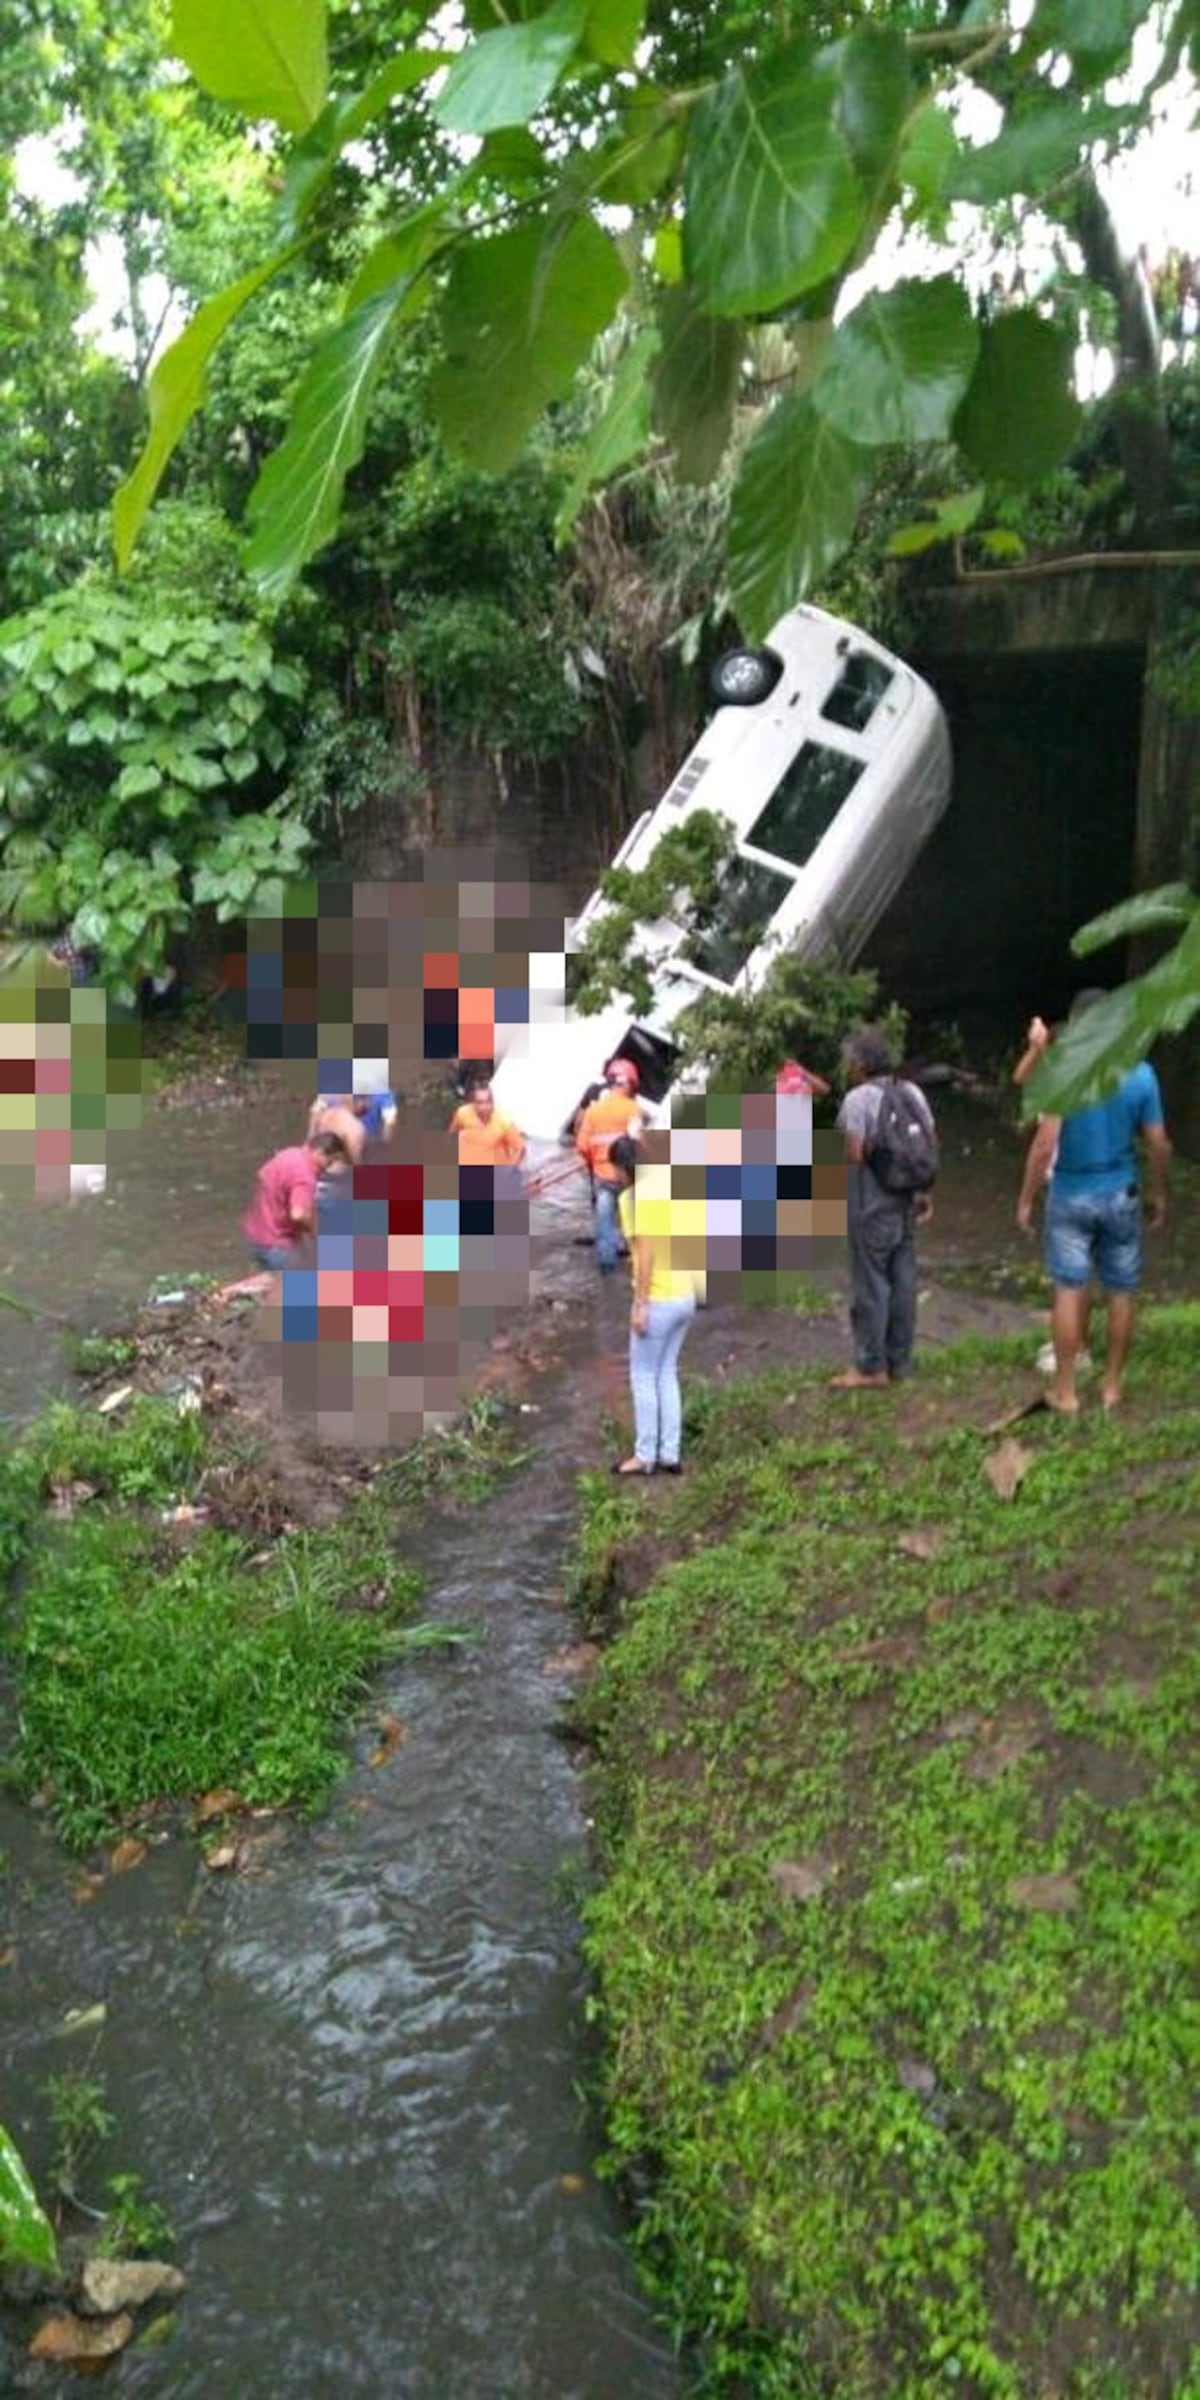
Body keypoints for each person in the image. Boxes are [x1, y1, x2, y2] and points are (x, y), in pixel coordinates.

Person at [1016, 991, 1171, 1412]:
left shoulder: (1064, 1073)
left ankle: (1066, 1391)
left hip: (1069, 1195)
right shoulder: (1140, 1074)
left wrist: (1027, 1199)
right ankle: (1111, 1386)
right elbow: (1158, 1143)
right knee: (1122, 1291)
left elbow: (1045, 1144)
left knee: (1069, 1289)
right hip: (1122, 1193)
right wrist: (1160, 1193)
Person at [832, 1025, 936, 1390]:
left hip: (871, 1204)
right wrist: (922, 1193)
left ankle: (870, 1367)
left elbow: (855, 1154)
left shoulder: (857, 1100)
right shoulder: (911, 1092)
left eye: (850, 1060)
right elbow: (927, 1144)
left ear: (860, 1064)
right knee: (903, 1282)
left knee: (871, 1285)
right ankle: (900, 1362)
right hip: (907, 1201)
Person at [609, 1135, 701, 1475]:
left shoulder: (631, 1199)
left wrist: (640, 1303)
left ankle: (645, 1455)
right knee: (666, 1373)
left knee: (643, 1375)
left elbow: (644, 1253)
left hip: (659, 1297)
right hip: (685, 1294)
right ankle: (670, 1453)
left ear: (622, 1167)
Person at [575, 1059, 648, 1273]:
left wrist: (593, 1160)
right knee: (633, 1219)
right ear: (631, 1084)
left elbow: (581, 1145)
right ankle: (637, 1263)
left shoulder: (594, 1110)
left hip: (602, 1176)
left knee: (604, 1222)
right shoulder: (634, 1109)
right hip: (627, 1176)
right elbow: (639, 1144)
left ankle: (607, 1267)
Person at [243, 1128, 348, 1271]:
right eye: (328, 1162)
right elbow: (298, 1215)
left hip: (255, 1238)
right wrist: (316, 1232)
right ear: (320, 1153)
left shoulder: (288, 1154)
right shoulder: (305, 1175)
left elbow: (262, 1176)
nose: (326, 1169)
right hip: (277, 1246)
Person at [450, 1079, 527, 1170]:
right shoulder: (463, 1113)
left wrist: (510, 1169)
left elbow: (521, 1149)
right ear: (473, 1103)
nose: (484, 1107)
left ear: (492, 1102)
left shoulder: (504, 1122)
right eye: (480, 1102)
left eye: (487, 1102)